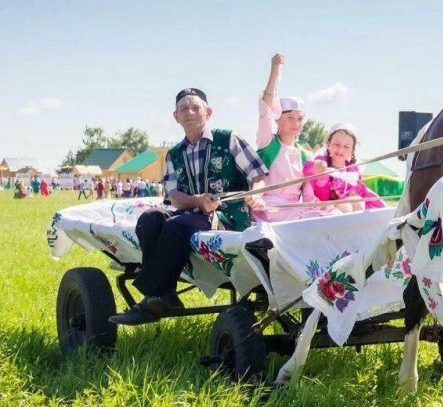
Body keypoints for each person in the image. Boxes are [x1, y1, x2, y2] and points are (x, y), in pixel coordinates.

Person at [110, 87, 268, 326]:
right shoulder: (174, 153)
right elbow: (173, 196)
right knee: (150, 218)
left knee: (178, 225)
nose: (190, 112)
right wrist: (197, 201)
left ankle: (152, 297)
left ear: (209, 112)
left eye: (196, 107)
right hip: (190, 213)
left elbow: (258, 174)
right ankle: (166, 294)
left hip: (226, 217)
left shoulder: (229, 140)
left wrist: (257, 194)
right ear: (176, 116)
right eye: (184, 108)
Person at [251, 53, 325, 222]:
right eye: (290, 118)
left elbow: (308, 195)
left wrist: (321, 206)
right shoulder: (268, 143)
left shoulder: (306, 156)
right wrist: (275, 72)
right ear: (277, 119)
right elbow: (265, 110)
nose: (296, 123)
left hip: (295, 211)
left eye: (300, 119)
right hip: (267, 209)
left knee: (330, 214)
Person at [303, 123, 386, 212]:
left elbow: (363, 191)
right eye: (336, 144)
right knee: (347, 206)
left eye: (346, 146)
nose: (340, 150)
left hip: (345, 208)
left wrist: (384, 207)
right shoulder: (322, 163)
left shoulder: (351, 171)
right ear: (328, 145)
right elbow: (307, 169)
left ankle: (357, 225)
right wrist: (319, 167)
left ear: (352, 151)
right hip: (324, 209)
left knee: (358, 201)